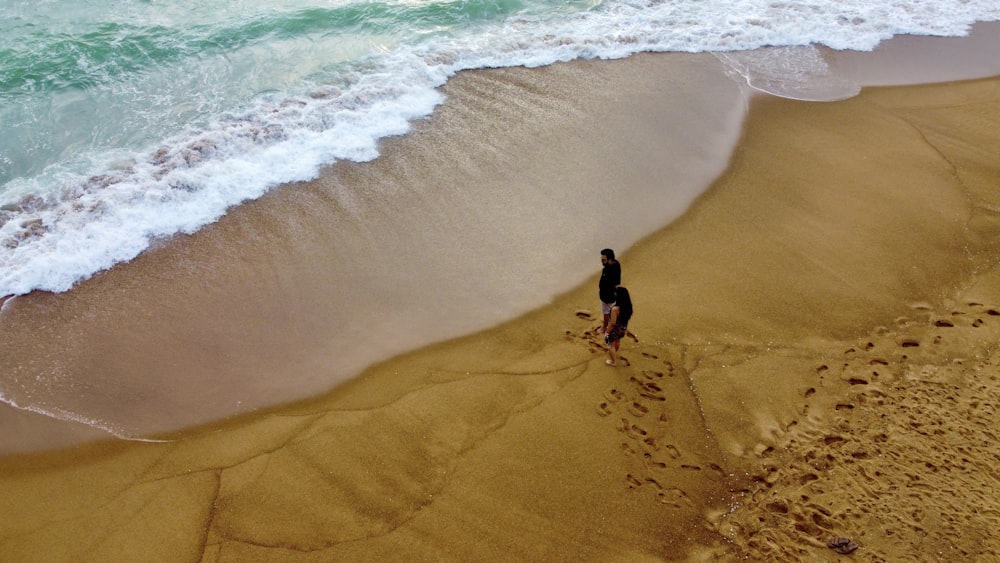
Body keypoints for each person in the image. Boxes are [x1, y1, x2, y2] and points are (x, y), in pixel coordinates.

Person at [604, 286, 633, 367]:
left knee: (610, 344)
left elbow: (613, 323)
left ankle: (613, 362)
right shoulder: (628, 307)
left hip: (615, 330)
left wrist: (607, 332)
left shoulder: (615, 309)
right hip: (623, 329)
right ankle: (614, 352)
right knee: (617, 342)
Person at [599, 249, 621, 334]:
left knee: (606, 311)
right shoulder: (616, 263)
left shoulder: (611, 269)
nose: (602, 262)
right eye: (601, 259)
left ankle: (605, 327)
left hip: (607, 296)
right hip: (609, 294)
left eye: (604, 260)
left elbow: (617, 284)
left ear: (610, 259)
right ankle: (610, 323)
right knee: (610, 310)